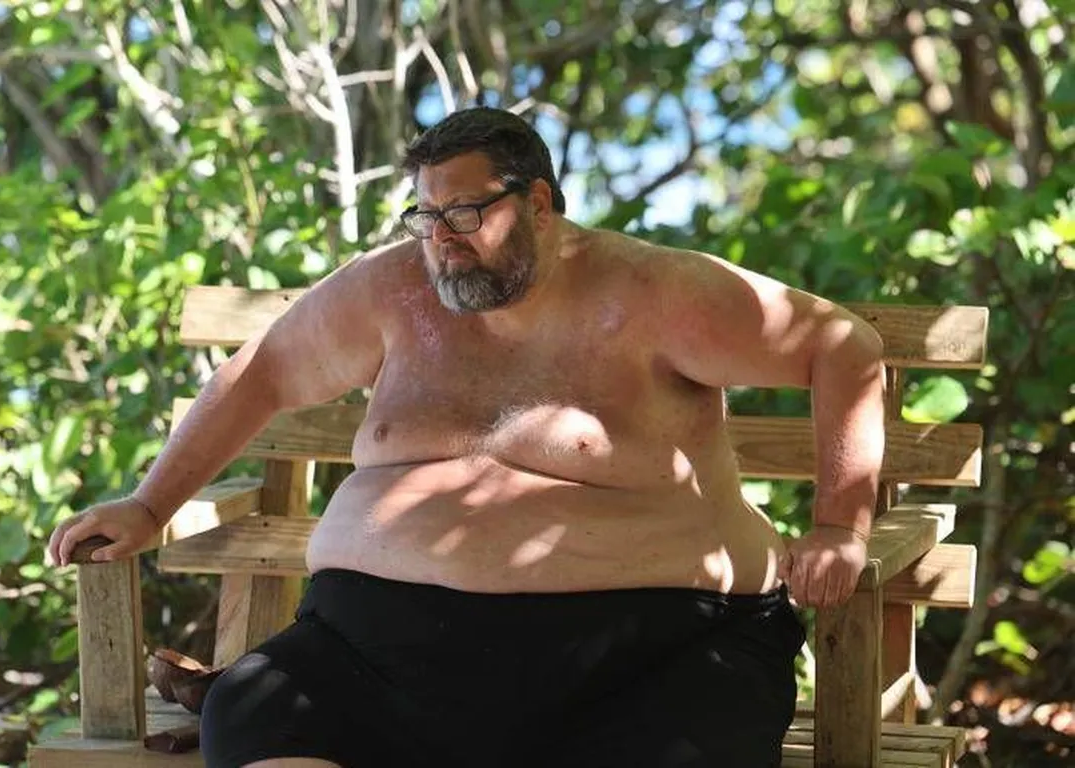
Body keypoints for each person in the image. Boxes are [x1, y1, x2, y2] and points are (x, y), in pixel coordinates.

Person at [46, 106, 883, 768]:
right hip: (373, 658)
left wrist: (840, 527)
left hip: (644, 663)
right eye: (426, 215)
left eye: (466, 212)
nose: (442, 240)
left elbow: (842, 346)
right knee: (255, 717)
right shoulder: (390, 291)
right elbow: (260, 373)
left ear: (540, 205)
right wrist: (150, 506)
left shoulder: (655, 293)